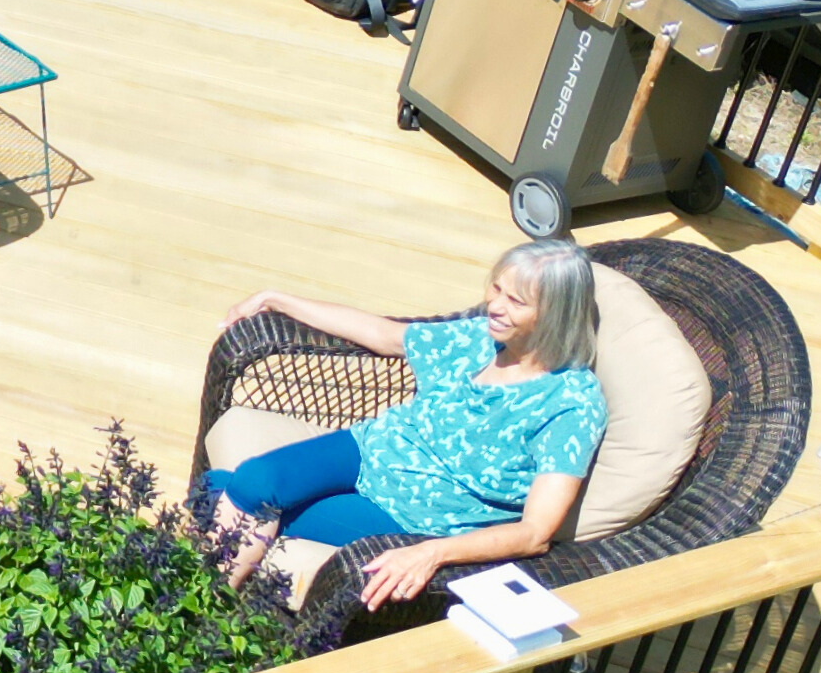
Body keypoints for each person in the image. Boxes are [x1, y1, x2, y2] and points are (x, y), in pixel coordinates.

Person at [206, 241, 608, 612]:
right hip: (368, 449)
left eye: (515, 300)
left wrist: (433, 552)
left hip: (415, 515)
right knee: (254, 481)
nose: (495, 305)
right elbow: (384, 335)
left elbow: (535, 532)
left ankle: (202, 618)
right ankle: (198, 607)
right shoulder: (480, 338)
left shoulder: (570, 404)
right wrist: (277, 299)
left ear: (554, 315)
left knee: (221, 492)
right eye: (497, 288)